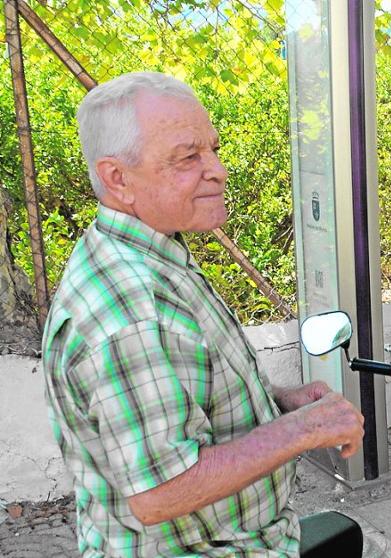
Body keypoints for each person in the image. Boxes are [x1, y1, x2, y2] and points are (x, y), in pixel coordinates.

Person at [42, 72, 365, 557]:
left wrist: (278, 400)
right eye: (188, 157)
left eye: (212, 149)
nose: (217, 170)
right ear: (118, 179)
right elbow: (160, 491)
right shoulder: (132, 311)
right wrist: (305, 429)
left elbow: (184, 388)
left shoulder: (150, 248)